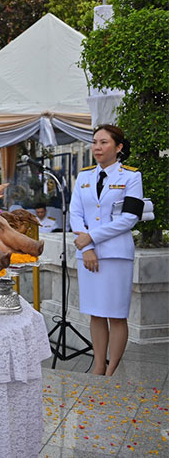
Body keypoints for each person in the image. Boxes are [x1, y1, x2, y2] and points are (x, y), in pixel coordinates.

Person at [70, 124, 143, 376]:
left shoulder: (131, 177)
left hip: (116, 255)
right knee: (96, 312)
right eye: (94, 142)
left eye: (104, 142)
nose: (97, 148)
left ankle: (113, 369)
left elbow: (129, 218)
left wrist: (91, 236)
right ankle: (99, 365)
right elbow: (76, 214)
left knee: (115, 313)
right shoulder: (84, 176)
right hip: (87, 254)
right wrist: (87, 245)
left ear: (118, 147)